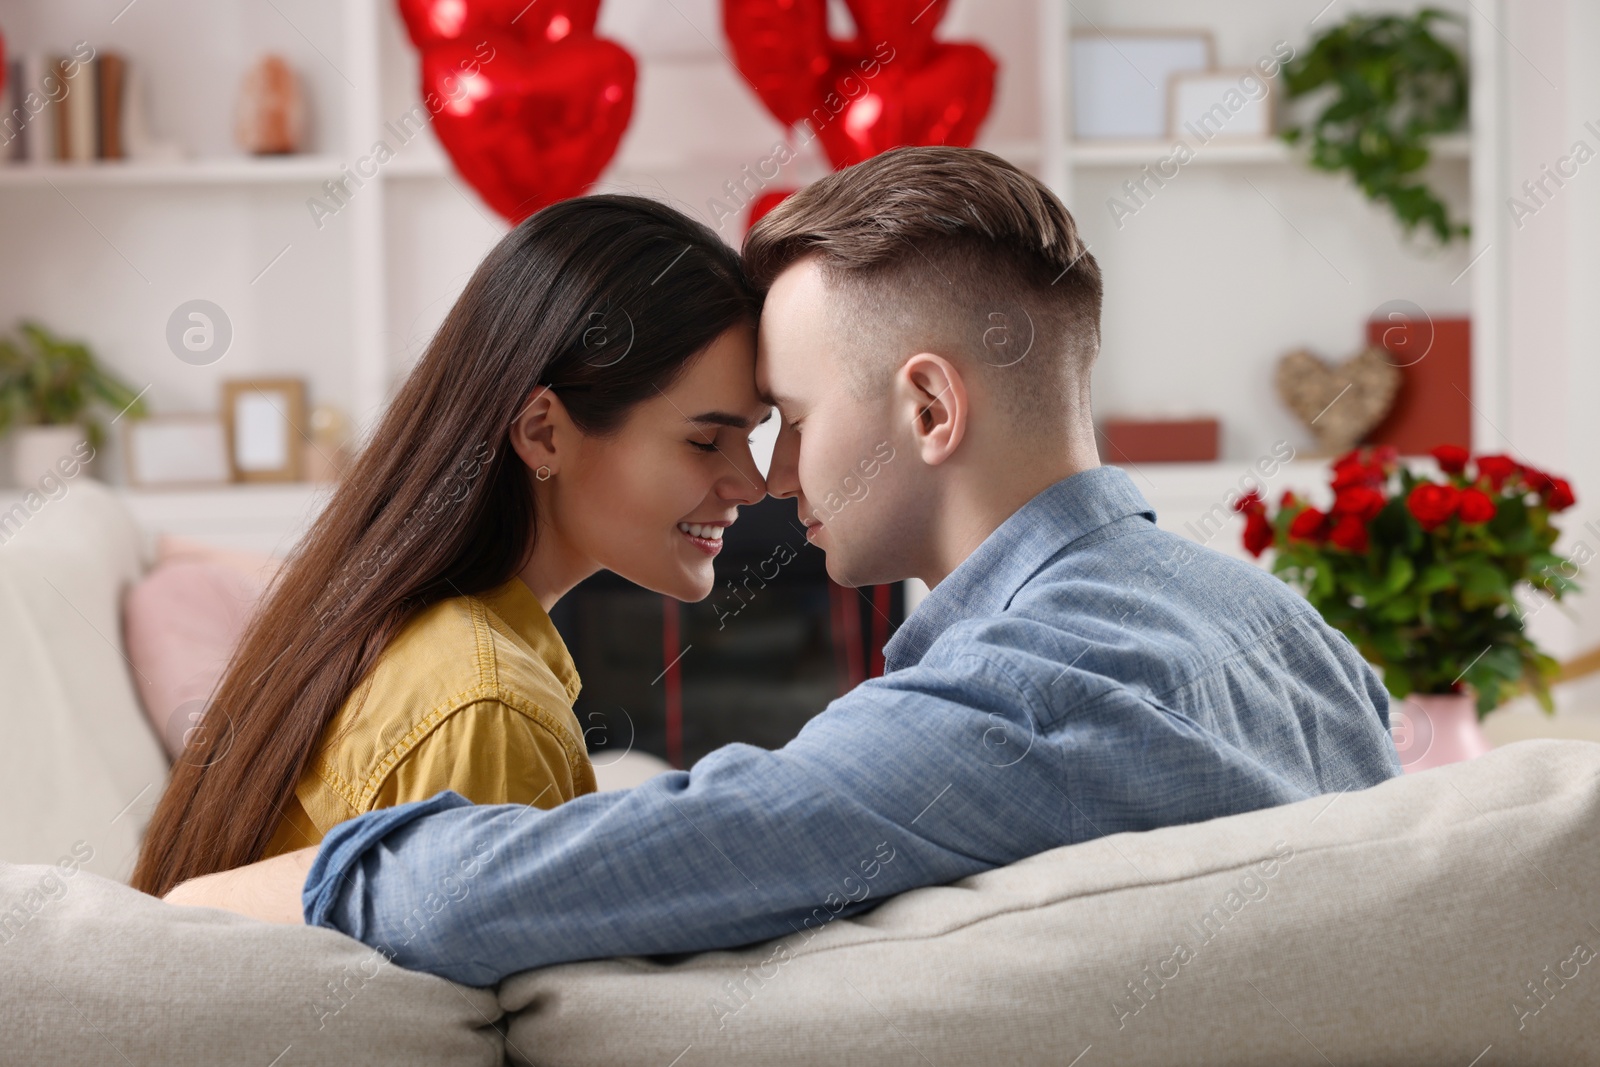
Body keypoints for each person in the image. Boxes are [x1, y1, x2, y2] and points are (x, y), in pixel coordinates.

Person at [162, 147, 1402, 984]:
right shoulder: (1305, 647)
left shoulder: (1016, 698)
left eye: (792, 415)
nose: (773, 474)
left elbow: (497, 890)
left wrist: (197, 915)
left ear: (928, 408)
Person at [132, 196, 769, 897]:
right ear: (544, 433)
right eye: (706, 440)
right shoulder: (486, 709)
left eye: (755, 432)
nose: (752, 481)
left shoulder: (409, 629)